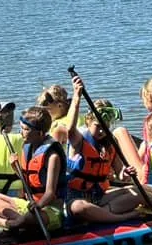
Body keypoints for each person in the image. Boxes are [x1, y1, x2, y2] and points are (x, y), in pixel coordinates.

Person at [62, 77, 147, 224]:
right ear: (88, 121)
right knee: (80, 208)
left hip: (100, 197)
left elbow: (121, 175)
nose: (102, 130)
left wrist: (126, 173)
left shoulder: (110, 143)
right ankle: (122, 217)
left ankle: (102, 215)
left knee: (139, 193)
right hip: (76, 197)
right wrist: (77, 97)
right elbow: (69, 128)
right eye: (97, 125)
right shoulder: (79, 139)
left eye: (105, 126)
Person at [0, 106, 65, 236]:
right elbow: (27, 181)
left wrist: (37, 206)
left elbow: (50, 193)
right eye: (21, 128)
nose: (21, 132)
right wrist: (16, 168)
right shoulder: (27, 147)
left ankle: (13, 223)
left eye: (26, 129)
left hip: (50, 210)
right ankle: (21, 221)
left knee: (29, 217)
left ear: (39, 133)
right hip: (30, 205)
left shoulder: (52, 157)